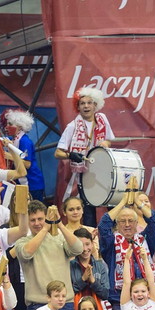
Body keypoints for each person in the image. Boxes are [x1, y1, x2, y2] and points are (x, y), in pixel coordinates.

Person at [56, 87, 114, 225]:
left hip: (103, 170)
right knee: (89, 212)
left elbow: (109, 140)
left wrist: (105, 143)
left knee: (112, 207)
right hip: (85, 174)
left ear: (95, 105)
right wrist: (71, 155)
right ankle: (90, 236)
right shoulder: (72, 126)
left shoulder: (102, 119)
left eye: (89, 103)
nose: (86, 106)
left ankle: (115, 236)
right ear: (78, 107)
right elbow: (58, 153)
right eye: (82, 103)